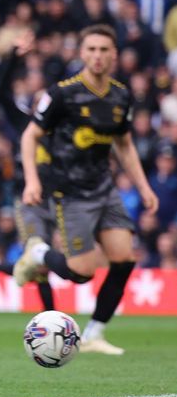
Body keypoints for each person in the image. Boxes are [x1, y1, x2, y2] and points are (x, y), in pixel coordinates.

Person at [16, 24, 159, 355]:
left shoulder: (121, 95)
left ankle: (94, 332)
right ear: (82, 53)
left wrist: (143, 186)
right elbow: (29, 136)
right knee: (81, 273)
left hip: (105, 188)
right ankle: (36, 253)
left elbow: (123, 143)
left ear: (114, 55)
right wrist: (33, 180)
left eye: (104, 50)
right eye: (91, 49)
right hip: (72, 192)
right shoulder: (62, 94)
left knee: (124, 258)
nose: (97, 56)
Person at [0, 31, 55, 311]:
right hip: (31, 200)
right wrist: (14, 57)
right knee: (41, 260)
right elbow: (1, 92)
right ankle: (52, 318)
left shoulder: (64, 132)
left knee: (57, 262)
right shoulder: (23, 124)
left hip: (62, 200)